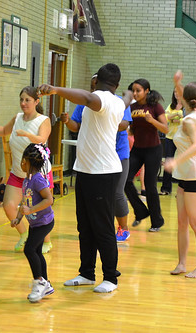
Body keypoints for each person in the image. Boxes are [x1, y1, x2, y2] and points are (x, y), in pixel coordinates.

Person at [39, 63, 132, 293]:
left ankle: (111, 277)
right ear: (117, 84)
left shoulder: (105, 99)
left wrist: (55, 89)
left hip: (103, 173)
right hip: (86, 170)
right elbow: (115, 112)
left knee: (103, 228)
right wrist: (127, 100)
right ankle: (87, 273)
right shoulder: (117, 102)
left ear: (97, 79)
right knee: (85, 226)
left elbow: (89, 99)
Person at [60, 74, 133, 242]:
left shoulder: (116, 102)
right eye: (92, 84)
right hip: (92, 161)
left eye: (96, 83)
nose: (94, 87)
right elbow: (76, 126)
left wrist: (106, 121)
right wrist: (66, 121)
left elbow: (124, 125)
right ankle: (96, 230)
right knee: (92, 200)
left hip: (117, 156)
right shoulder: (87, 102)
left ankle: (123, 228)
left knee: (116, 193)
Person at [0, 86, 53, 253]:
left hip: (38, 173)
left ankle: (46, 241)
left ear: (36, 101)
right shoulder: (18, 117)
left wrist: (27, 135)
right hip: (18, 172)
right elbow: (5, 131)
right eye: (21, 99)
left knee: (40, 209)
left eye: (27, 100)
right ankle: (24, 234)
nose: (23, 103)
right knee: (9, 205)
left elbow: (42, 139)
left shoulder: (44, 120)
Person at [164, 72, 196, 278]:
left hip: (195, 176)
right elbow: (185, 96)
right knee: (182, 223)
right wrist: (177, 83)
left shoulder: (190, 121)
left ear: (184, 100)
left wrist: (175, 161)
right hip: (185, 177)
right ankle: (182, 263)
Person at [11, 143, 55, 303]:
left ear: (29, 162)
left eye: (23, 160)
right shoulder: (27, 180)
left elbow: (49, 199)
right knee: (35, 251)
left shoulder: (37, 180)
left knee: (29, 249)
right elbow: (24, 202)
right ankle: (46, 283)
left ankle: (39, 282)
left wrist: (31, 210)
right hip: (35, 223)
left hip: (44, 222)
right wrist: (18, 218)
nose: (21, 163)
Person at [125, 78, 168, 232]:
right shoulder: (132, 107)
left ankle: (157, 221)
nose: (135, 93)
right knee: (125, 180)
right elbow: (131, 129)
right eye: (133, 91)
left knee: (150, 186)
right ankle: (141, 211)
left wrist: (152, 121)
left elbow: (165, 129)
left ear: (146, 91)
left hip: (153, 149)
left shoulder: (155, 106)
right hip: (137, 149)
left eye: (138, 90)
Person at [160, 89, 184, 195]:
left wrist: (175, 119)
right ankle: (166, 189)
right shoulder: (171, 105)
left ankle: (183, 190)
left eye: (178, 92)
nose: (176, 94)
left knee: (183, 163)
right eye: (174, 92)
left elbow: (187, 119)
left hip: (182, 139)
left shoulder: (186, 105)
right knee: (168, 163)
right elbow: (165, 118)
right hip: (170, 138)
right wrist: (176, 116)